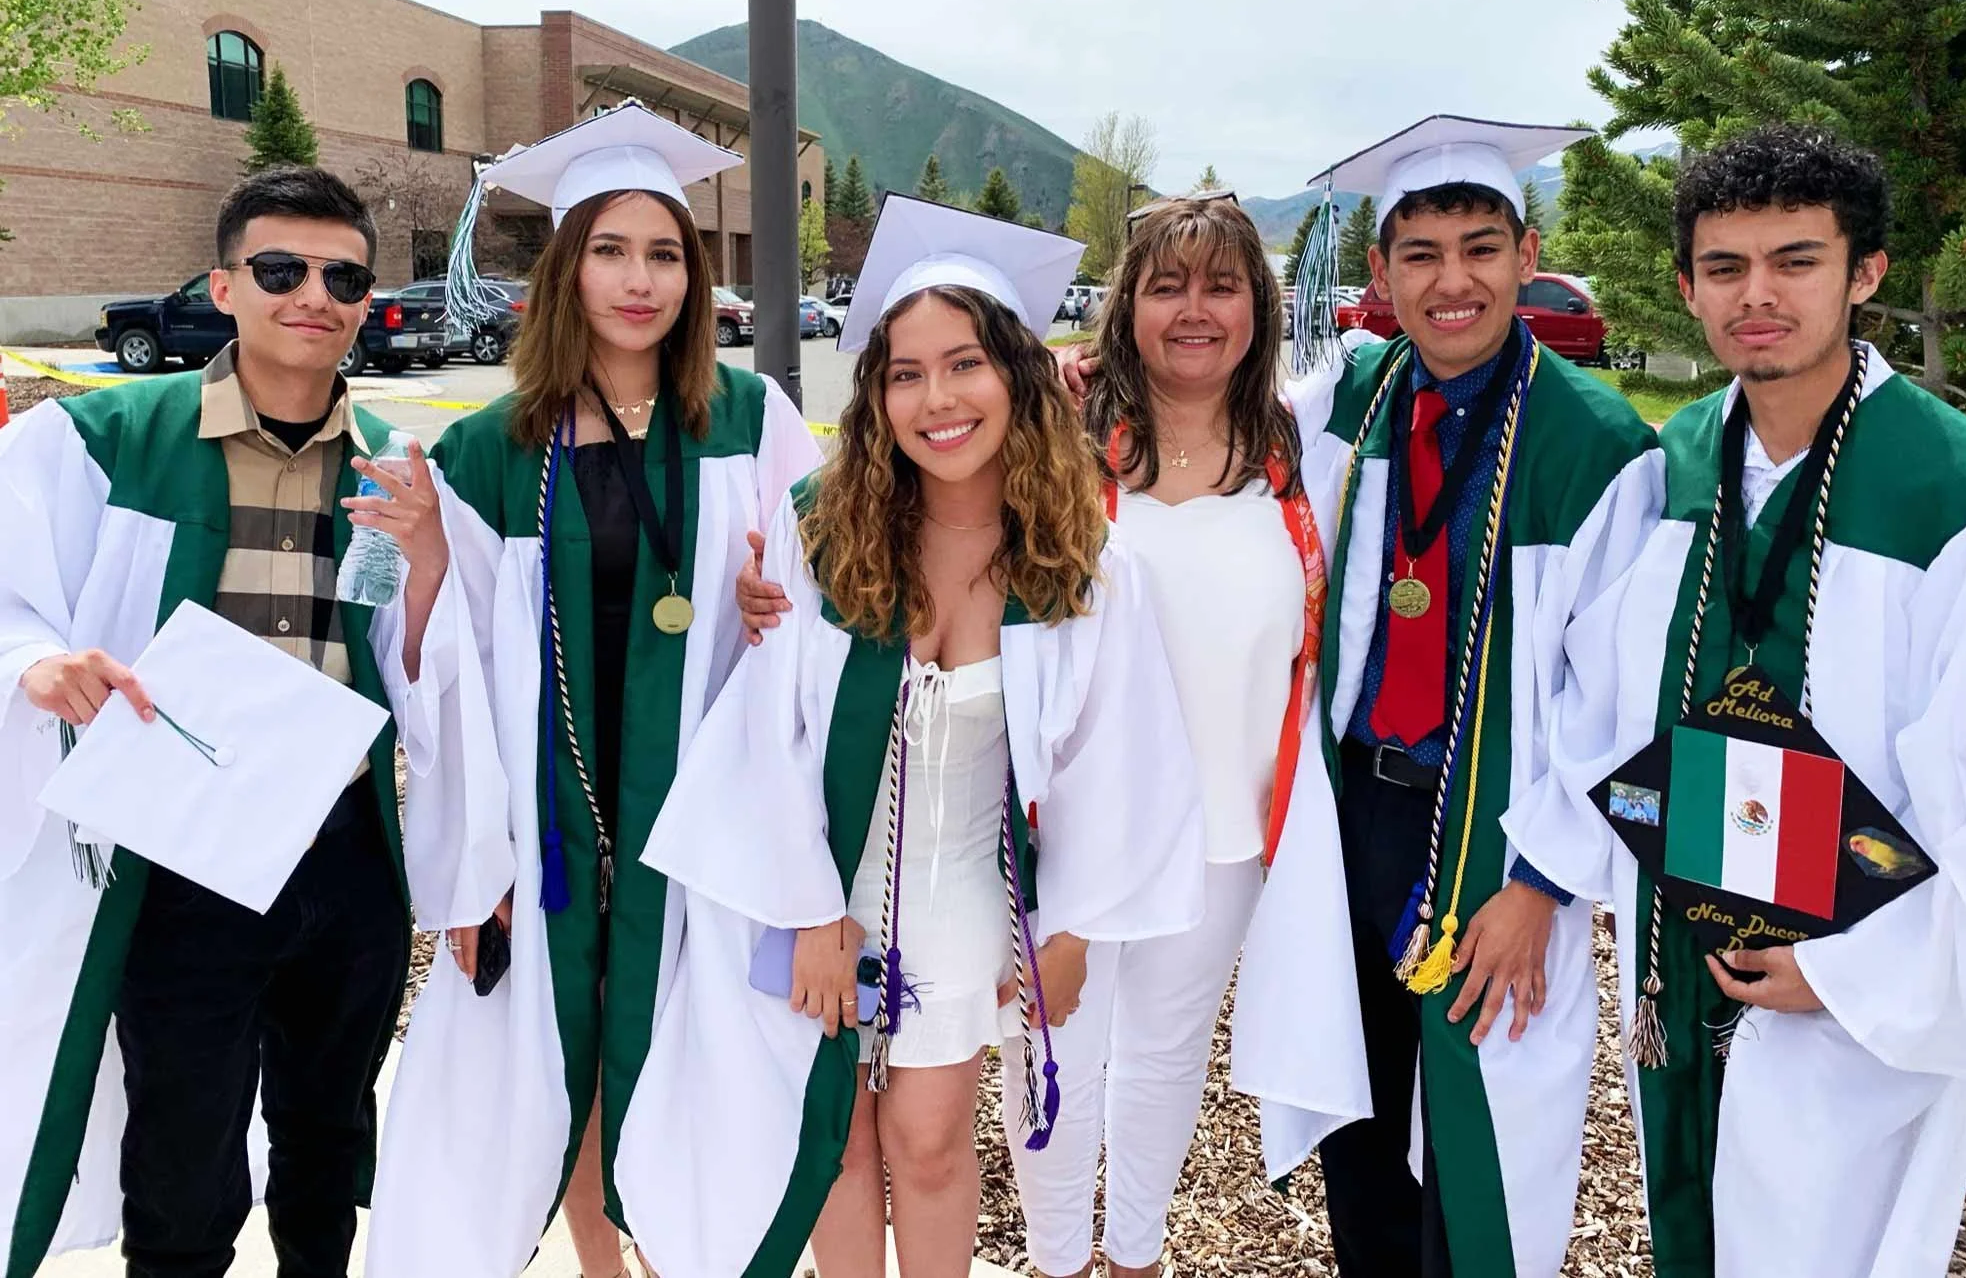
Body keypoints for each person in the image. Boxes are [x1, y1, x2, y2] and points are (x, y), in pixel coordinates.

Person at [615, 196, 1206, 1278]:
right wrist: (805, 913)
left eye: (964, 362)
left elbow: (1118, 762)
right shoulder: (817, 530)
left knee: (928, 1142)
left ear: (1016, 379)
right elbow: (768, 733)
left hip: (960, 894)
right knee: (834, 1140)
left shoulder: (1081, 565)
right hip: (816, 887)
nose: (934, 398)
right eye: (902, 371)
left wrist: (1067, 929)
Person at [1507, 124, 1966, 1277]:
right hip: (1680, 942)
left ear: (1862, 272)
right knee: (1687, 1211)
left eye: (1795, 259)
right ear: (1685, 286)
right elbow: (1603, 702)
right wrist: (1543, 868)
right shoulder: (1671, 464)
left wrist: (1845, 971)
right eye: (1724, 268)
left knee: (1820, 1234)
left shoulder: (1952, 493)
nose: (1756, 295)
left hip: (1856, 972)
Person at [362, 101, 822, 1278]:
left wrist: (781, 610)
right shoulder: (486, 449)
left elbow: (828, 590)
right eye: (610, 250)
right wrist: (421, 565)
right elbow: (431, 670)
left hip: (699, 814)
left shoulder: (752, 422)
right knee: (560, 1062)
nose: (639, 279)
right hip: (550, 820)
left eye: (664, 252)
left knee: (683, 1057)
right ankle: (602, 1265)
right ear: (564, 270)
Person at [0, 167, 447, 1277]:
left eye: (343, 275)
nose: (315, 295)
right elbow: (10, 591)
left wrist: (431, 557)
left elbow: (413, 655)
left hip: (341, 851)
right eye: (281, 269)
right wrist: (39, 663)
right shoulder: (107, 438)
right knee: (185, 1141)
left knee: (330, 1126)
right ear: (222, 284)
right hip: (182, 854)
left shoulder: (393, 467)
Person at [1301, 116, 1662, 1278]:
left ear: (1525, 250)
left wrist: (1539, 883)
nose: (1449, 280)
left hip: (1495, 834)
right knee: (1355, 1120)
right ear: (1380, 273)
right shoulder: (1348, 400)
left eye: (1478, 246)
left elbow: (1624, 706)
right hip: (1351, 815)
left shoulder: (1595, 443)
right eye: (1419, 253)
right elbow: (1188, 394)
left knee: (1480, 1137)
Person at [996, 194, 1370, 1278]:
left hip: (1225, 826)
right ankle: (1059, 1259)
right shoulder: (1060, 443)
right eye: (1166, 285)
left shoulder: (1298, 452)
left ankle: (1136, 1258)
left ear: (1257, 303)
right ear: (1127, 307)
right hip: (1072, 830)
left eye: (1220, 284)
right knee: (1051, 1060)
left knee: (1162, 1062)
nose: (1193, 309)